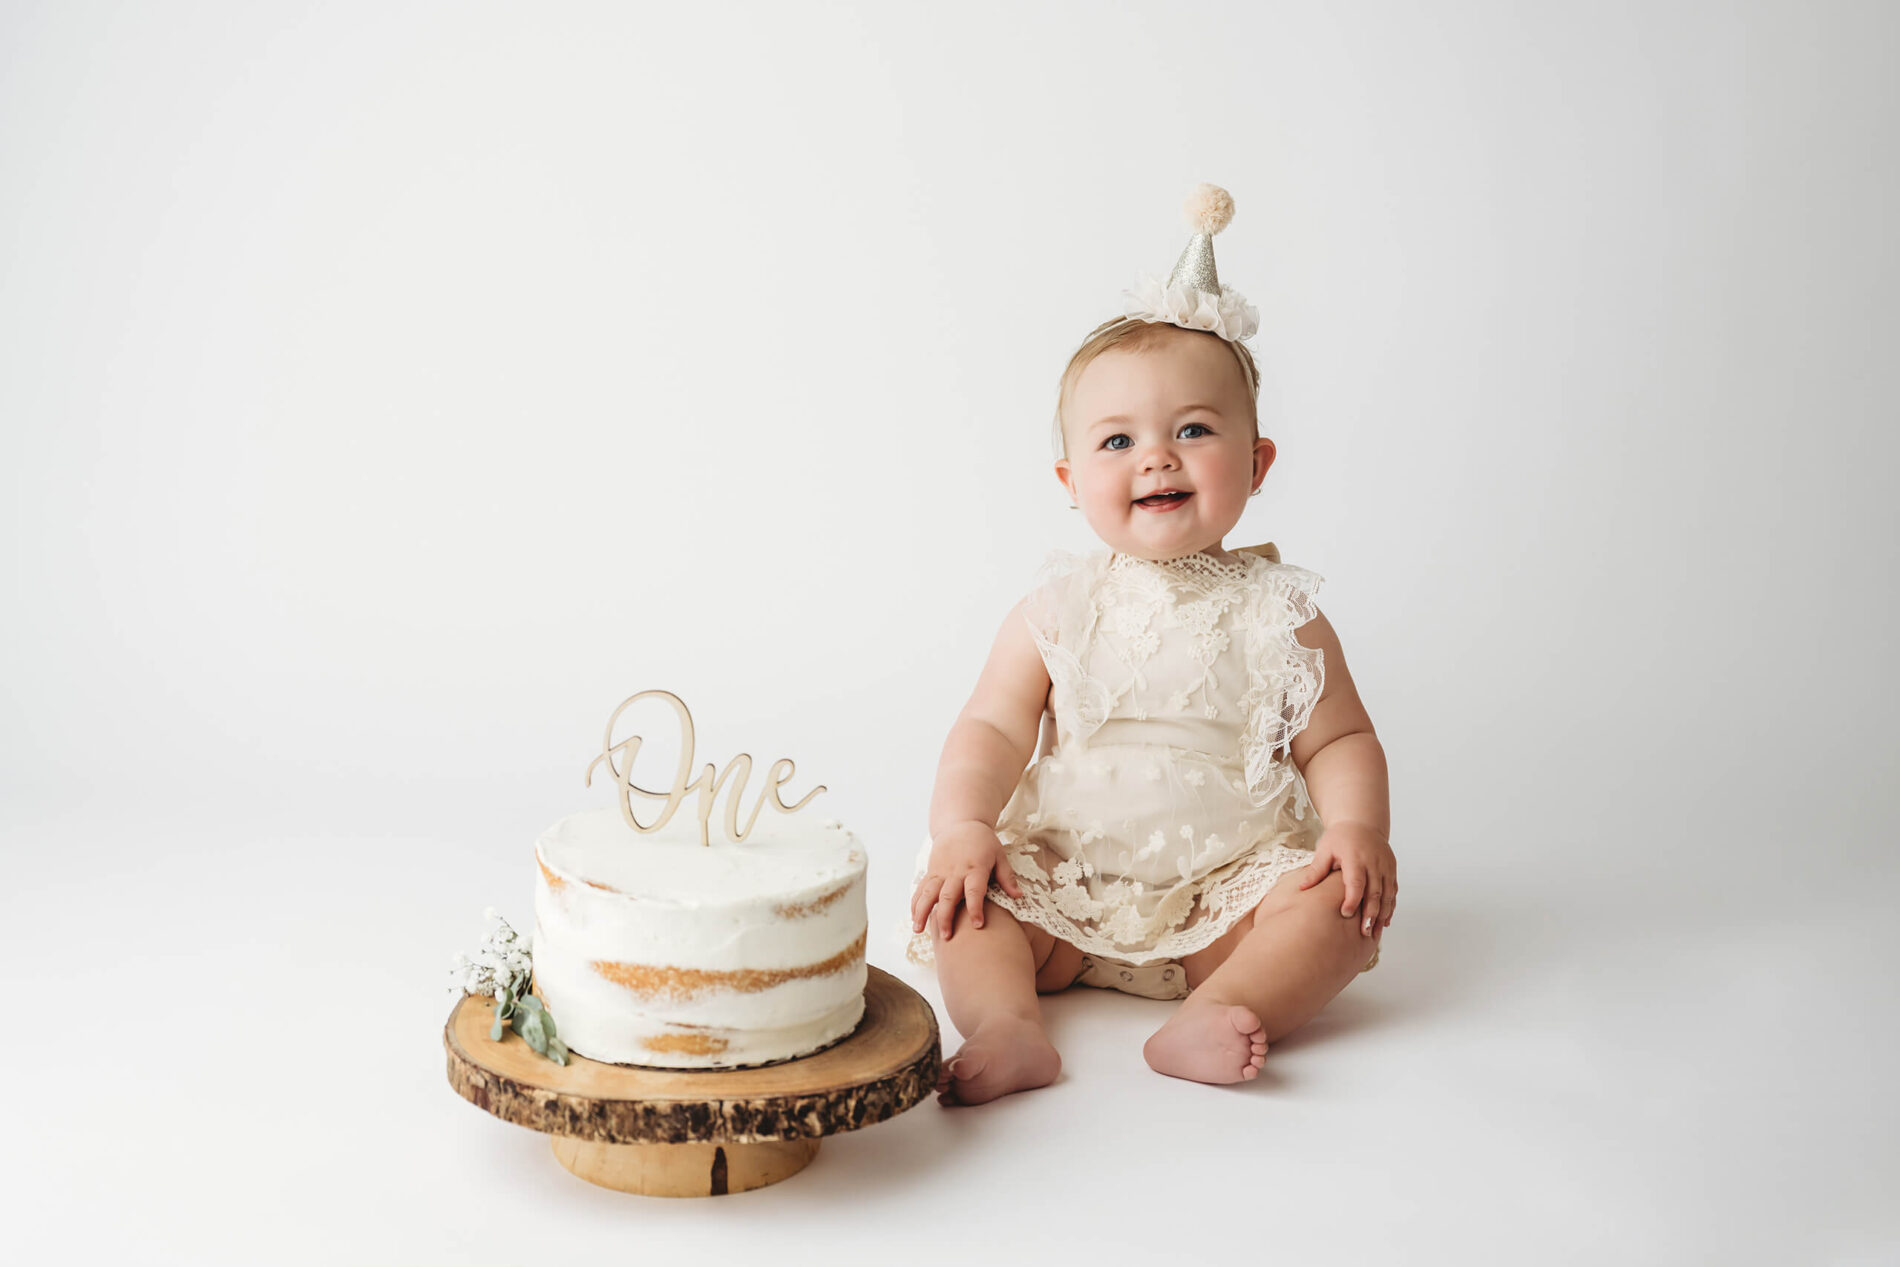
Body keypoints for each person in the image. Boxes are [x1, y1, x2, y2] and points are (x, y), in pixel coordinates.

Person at [901, 184, 1396, 1107]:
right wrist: (963, 829)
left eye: (1194, 431)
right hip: (1066, 893)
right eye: (1117, 439)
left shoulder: (1280, 610)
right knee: (961, 905)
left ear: (1257, 463)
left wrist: (1356, 831)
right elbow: (992, 730)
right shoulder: (1055, 607)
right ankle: (1009, 1027)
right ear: (1071, 478)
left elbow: (1338, 740)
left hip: (1224, 904)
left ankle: (1224, 1007)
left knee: (1338, 910)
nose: (1156, 457)